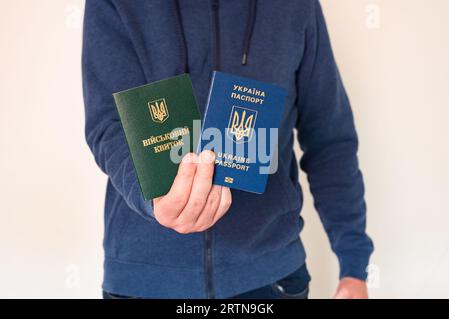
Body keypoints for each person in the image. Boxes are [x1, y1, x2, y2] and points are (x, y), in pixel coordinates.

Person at [83, 0, 374, 299]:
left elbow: (329, 137)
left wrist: (353, 265)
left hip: (269, 278)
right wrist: (152, 200)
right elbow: (108, 124)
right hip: (144, 279)